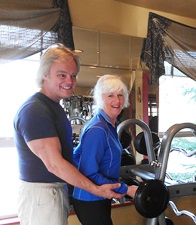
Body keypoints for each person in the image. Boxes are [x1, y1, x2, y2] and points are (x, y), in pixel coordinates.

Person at [13, 44, 125, 225]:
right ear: (44, 74)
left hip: (55, 190)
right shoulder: (35, 110)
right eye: (62, 75)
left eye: (73, 75)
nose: (70, 81)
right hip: (42, 193)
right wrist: (96, 189)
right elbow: (55, 165)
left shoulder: (53, 107)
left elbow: (71, 157)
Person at [72, 75, 138, 225]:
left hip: (101, 196)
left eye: (120, 95)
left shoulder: (108, 125)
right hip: (90, 199)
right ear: (100, 98)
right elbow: (89, 172)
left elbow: (76, 156)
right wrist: (125, 189)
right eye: (110, 95)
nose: (117, 100)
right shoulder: (98, 129)